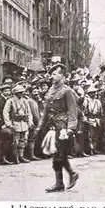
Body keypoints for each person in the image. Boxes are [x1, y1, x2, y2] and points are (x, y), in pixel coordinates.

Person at [35, 63, 79, 193]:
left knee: (59, 154)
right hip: (52, 126)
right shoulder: (50, 91)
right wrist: (39, 127)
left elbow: (72, 111)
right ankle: (65, 179)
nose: (51, 76)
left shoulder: (67, 91)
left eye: (55, 74)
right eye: (51, 74)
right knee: (57, 154)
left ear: (62, 76)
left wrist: (70, 128)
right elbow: (46, 112)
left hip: (63, 127)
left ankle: (64, 180)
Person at [3, 85, 33, 164]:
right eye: (19, 93)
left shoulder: (25, 101)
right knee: (15, 141)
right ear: (15, 93)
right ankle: (15, 157)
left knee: (23, 140)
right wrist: (8, 124)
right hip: (15, 122)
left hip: (23, 122)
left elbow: (29, 112)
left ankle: (21, 156)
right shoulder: (10, 101)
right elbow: (5, 112)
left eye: (22, 92)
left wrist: (30, 121)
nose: (21, 94)